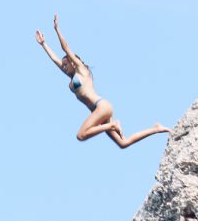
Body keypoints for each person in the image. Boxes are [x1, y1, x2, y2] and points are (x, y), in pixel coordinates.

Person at [35, 14, 170, 149]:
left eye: (66, 64)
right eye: (63, 65)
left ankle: (113, 124)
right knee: (123, 143)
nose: (64, 67)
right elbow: (55, 60)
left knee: (81, 135)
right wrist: (44, 44)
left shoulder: (82, 71)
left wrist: (57, 30)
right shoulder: (72, 77)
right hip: (99, 112)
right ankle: (156, 128)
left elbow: (66, 48)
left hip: (101, 107)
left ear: (73, 63)